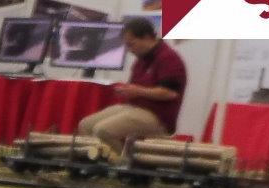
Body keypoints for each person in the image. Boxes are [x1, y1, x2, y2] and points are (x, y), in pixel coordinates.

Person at [77, 16, 187, 156]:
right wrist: (128, 92)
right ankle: (99, 160)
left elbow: (170, 93)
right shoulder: (141, 60)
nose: (129, 50)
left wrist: (138, 91)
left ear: (147, 38)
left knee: (103, 130)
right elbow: (137, 89)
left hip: (157, 117)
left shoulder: (168, 58)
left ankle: (122, 163)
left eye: (131, 44)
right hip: (134, 108)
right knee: (85, 125)